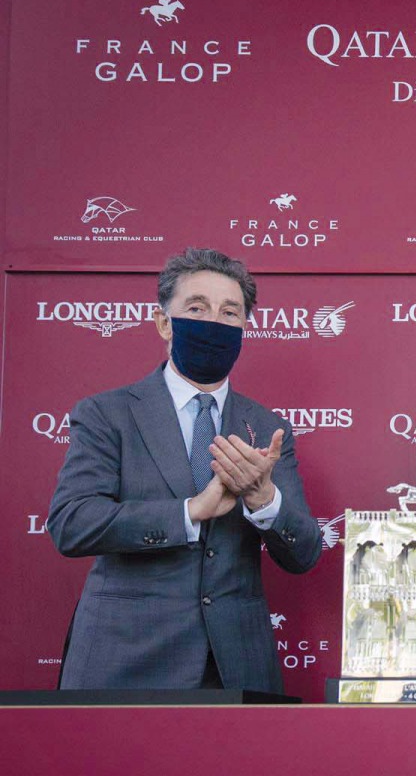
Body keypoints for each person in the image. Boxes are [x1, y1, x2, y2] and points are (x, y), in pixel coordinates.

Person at [48, 248, 321, 692]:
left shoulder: (268, 428)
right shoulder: (107, 414)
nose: (213, 322)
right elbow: (71, 524)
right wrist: (190, 511)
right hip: (125, 663)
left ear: (245, 329)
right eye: (197, 308)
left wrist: (264, 501)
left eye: (229, 312)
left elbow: (305, 552)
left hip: (235, 669)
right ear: (163, 323)